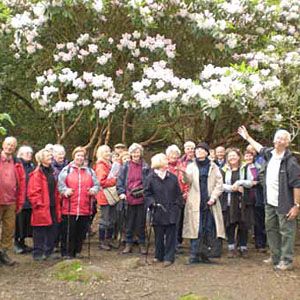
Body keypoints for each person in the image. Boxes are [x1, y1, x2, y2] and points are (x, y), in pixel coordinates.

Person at [238, 126, 300, 270]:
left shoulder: (290, 162)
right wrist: (247, 137)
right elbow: (259, 147)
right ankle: (275, 256)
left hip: (285, 203)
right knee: (271, 229)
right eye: (278, 137)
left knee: (286, 232)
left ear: (287, 143)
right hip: (269, 202)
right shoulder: (269, 154)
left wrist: (296, 205)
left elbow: (297, 185)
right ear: (274, 140)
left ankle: (286, 260)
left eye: (283, 139)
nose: (280, 141)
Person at [182, 142, 225, 264]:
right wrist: (184, 173)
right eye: (197, 150)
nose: (199, 152)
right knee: (196, 228)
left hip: (210, 202)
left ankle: (205, 255)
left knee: (208, 228)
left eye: (202, 150)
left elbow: (219, 184)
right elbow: (187, 181)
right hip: (195, 201)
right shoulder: (191, 166)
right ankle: (194, 254)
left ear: (207, 152)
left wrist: (214, 197)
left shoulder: (213, 166)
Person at [58, 146, 100, 258]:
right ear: (74, 156)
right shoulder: (66, 170)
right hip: (69, 207)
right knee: (68, 232)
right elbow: (60, 185)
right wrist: (65, 191)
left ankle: (77, 252)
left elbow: (96, 185)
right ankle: (66, 253)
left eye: (82, 156)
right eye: (78, 155)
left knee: (81, 232)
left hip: (85, 207)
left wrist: (93, 190)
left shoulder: (90, 171)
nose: (80, 158)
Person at [144, 153, 183, 267]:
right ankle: (158, 255)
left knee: (171, 235)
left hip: (172, 210)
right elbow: (147, 193)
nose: (167, 162)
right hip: (158, 210)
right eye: (165, 160)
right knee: (159, 235)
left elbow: (178, 193)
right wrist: (152, 203)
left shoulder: (172, 177)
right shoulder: (150, 178)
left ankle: (169, 257)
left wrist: (177, 206)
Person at [221, 148, 256, 258]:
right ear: (227, 158)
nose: (232, 158)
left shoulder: (246, 168)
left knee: (243, 224)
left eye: (234, 155)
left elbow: (251, 182)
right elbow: (219, 185)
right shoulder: (224, 170)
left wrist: (240, 182)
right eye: (230, 156)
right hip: (229, 201)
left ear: (239, 156)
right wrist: (233, 188)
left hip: (244, 202)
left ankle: (243, 247)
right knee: (230, 224)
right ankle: (231, 247)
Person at [27, 149, 61, 261]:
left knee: (53, 228)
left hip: (52, 205)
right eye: (48, 156)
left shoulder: (53, 171)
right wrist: (38, 204)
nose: (50, 157)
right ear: (41, 159)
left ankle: (48, 252)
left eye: (51, 155)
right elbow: (32, 192)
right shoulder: (37, 173)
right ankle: (38, 253)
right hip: (42, 206)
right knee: (39, 230)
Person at [117, 143, 150, 255]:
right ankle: (128, 243)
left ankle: (142, 243)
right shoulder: (125, 166)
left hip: (141, 198)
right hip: (128, 199)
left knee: (141, 223)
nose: (136, 154)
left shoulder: (145, 167)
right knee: (129, 223)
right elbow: (120, 181)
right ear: (130, 153)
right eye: (134, 152)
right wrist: (121, 193)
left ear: (140, 153)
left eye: (138, 152)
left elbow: (148, 182)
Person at [0, 137, 26, 266]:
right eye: (8, 144)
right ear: (3, 145)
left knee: (9, 230)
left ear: (15, 148)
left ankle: (3, 253)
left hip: (11, 201)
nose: (9, 147)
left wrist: (20, 202)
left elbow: (21, 183)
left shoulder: (17, 163)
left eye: (12, 145)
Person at [95, 145, 117, 251]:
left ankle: (108, 239)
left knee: (112, 219)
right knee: (105, 219)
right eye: (105, 152)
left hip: (111, 196)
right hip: (105, 196)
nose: (108, 153)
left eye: (109, 151)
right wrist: (115, 180)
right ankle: (102, 241)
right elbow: (101, 182)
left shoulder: (109, 164)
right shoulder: (101, 166)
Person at [166, 144, 188, 252]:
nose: (174, 157)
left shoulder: (183, 166)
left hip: (179, 197)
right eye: (172, 154)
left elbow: (187, 180)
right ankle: (167, 244)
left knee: (177, 222)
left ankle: (175, 244)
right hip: (166, 198)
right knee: (167, 222)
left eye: (176, 155)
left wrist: (186, 192)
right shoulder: (164, 165)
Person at [14, 145, 35, 254]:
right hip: (19, 199)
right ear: (21, 154)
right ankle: (16, 243)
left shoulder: (31, 166)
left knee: (26, 224)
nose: (29, 155)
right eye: (27, 153)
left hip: (29, 199)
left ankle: (22, 243)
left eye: (30, 153)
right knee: (18, 223)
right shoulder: (17, 165)